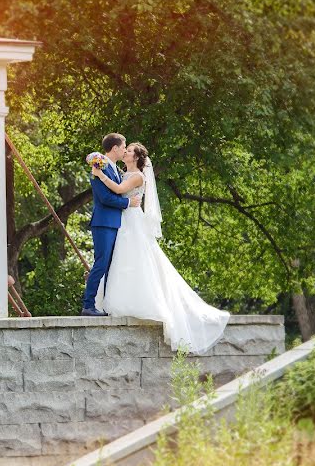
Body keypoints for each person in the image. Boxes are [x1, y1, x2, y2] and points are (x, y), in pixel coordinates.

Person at [92, 142, 230, 354]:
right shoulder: (121, 172)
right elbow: (112, 180)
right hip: (123, 221)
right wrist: (99, 167)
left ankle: (141, 301)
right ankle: (115, 301)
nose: (126, 152)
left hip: (133, 221)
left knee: (137, 260)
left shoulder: (138, 176)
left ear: (137, 158)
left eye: (129, 151)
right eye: (125, 149)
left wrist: (100, 175)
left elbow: (119, 190)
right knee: (121, 261)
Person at [81, 133, 142, 316]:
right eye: (123, 147)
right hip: (103, 222)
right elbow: (105, 197)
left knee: (110, 265)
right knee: (101, 263)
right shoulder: (100, 166)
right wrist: (127, 203)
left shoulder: (116, 169)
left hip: (115, 223)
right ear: (115, 148)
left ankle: (106, 303)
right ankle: (88, 305)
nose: (124, 150)